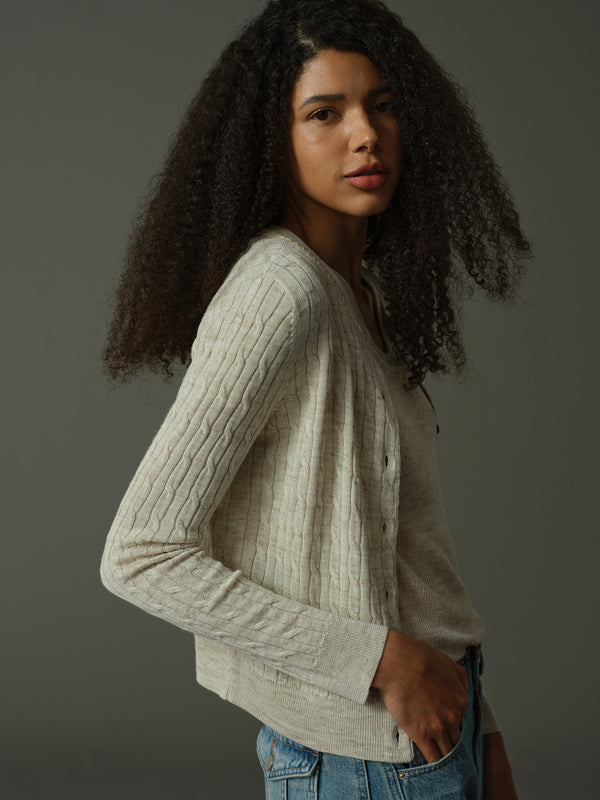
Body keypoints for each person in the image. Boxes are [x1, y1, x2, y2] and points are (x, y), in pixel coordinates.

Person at [100, 1, 532, 797]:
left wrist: (483, 724)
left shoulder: (357, 294)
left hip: (439, 722)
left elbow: (406, 556)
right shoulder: (282, 290)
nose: (365, 134)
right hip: (371, 755)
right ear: (274, 142)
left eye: (383, 106)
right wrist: (381, 660)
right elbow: (142, 554)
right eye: (324, 113)